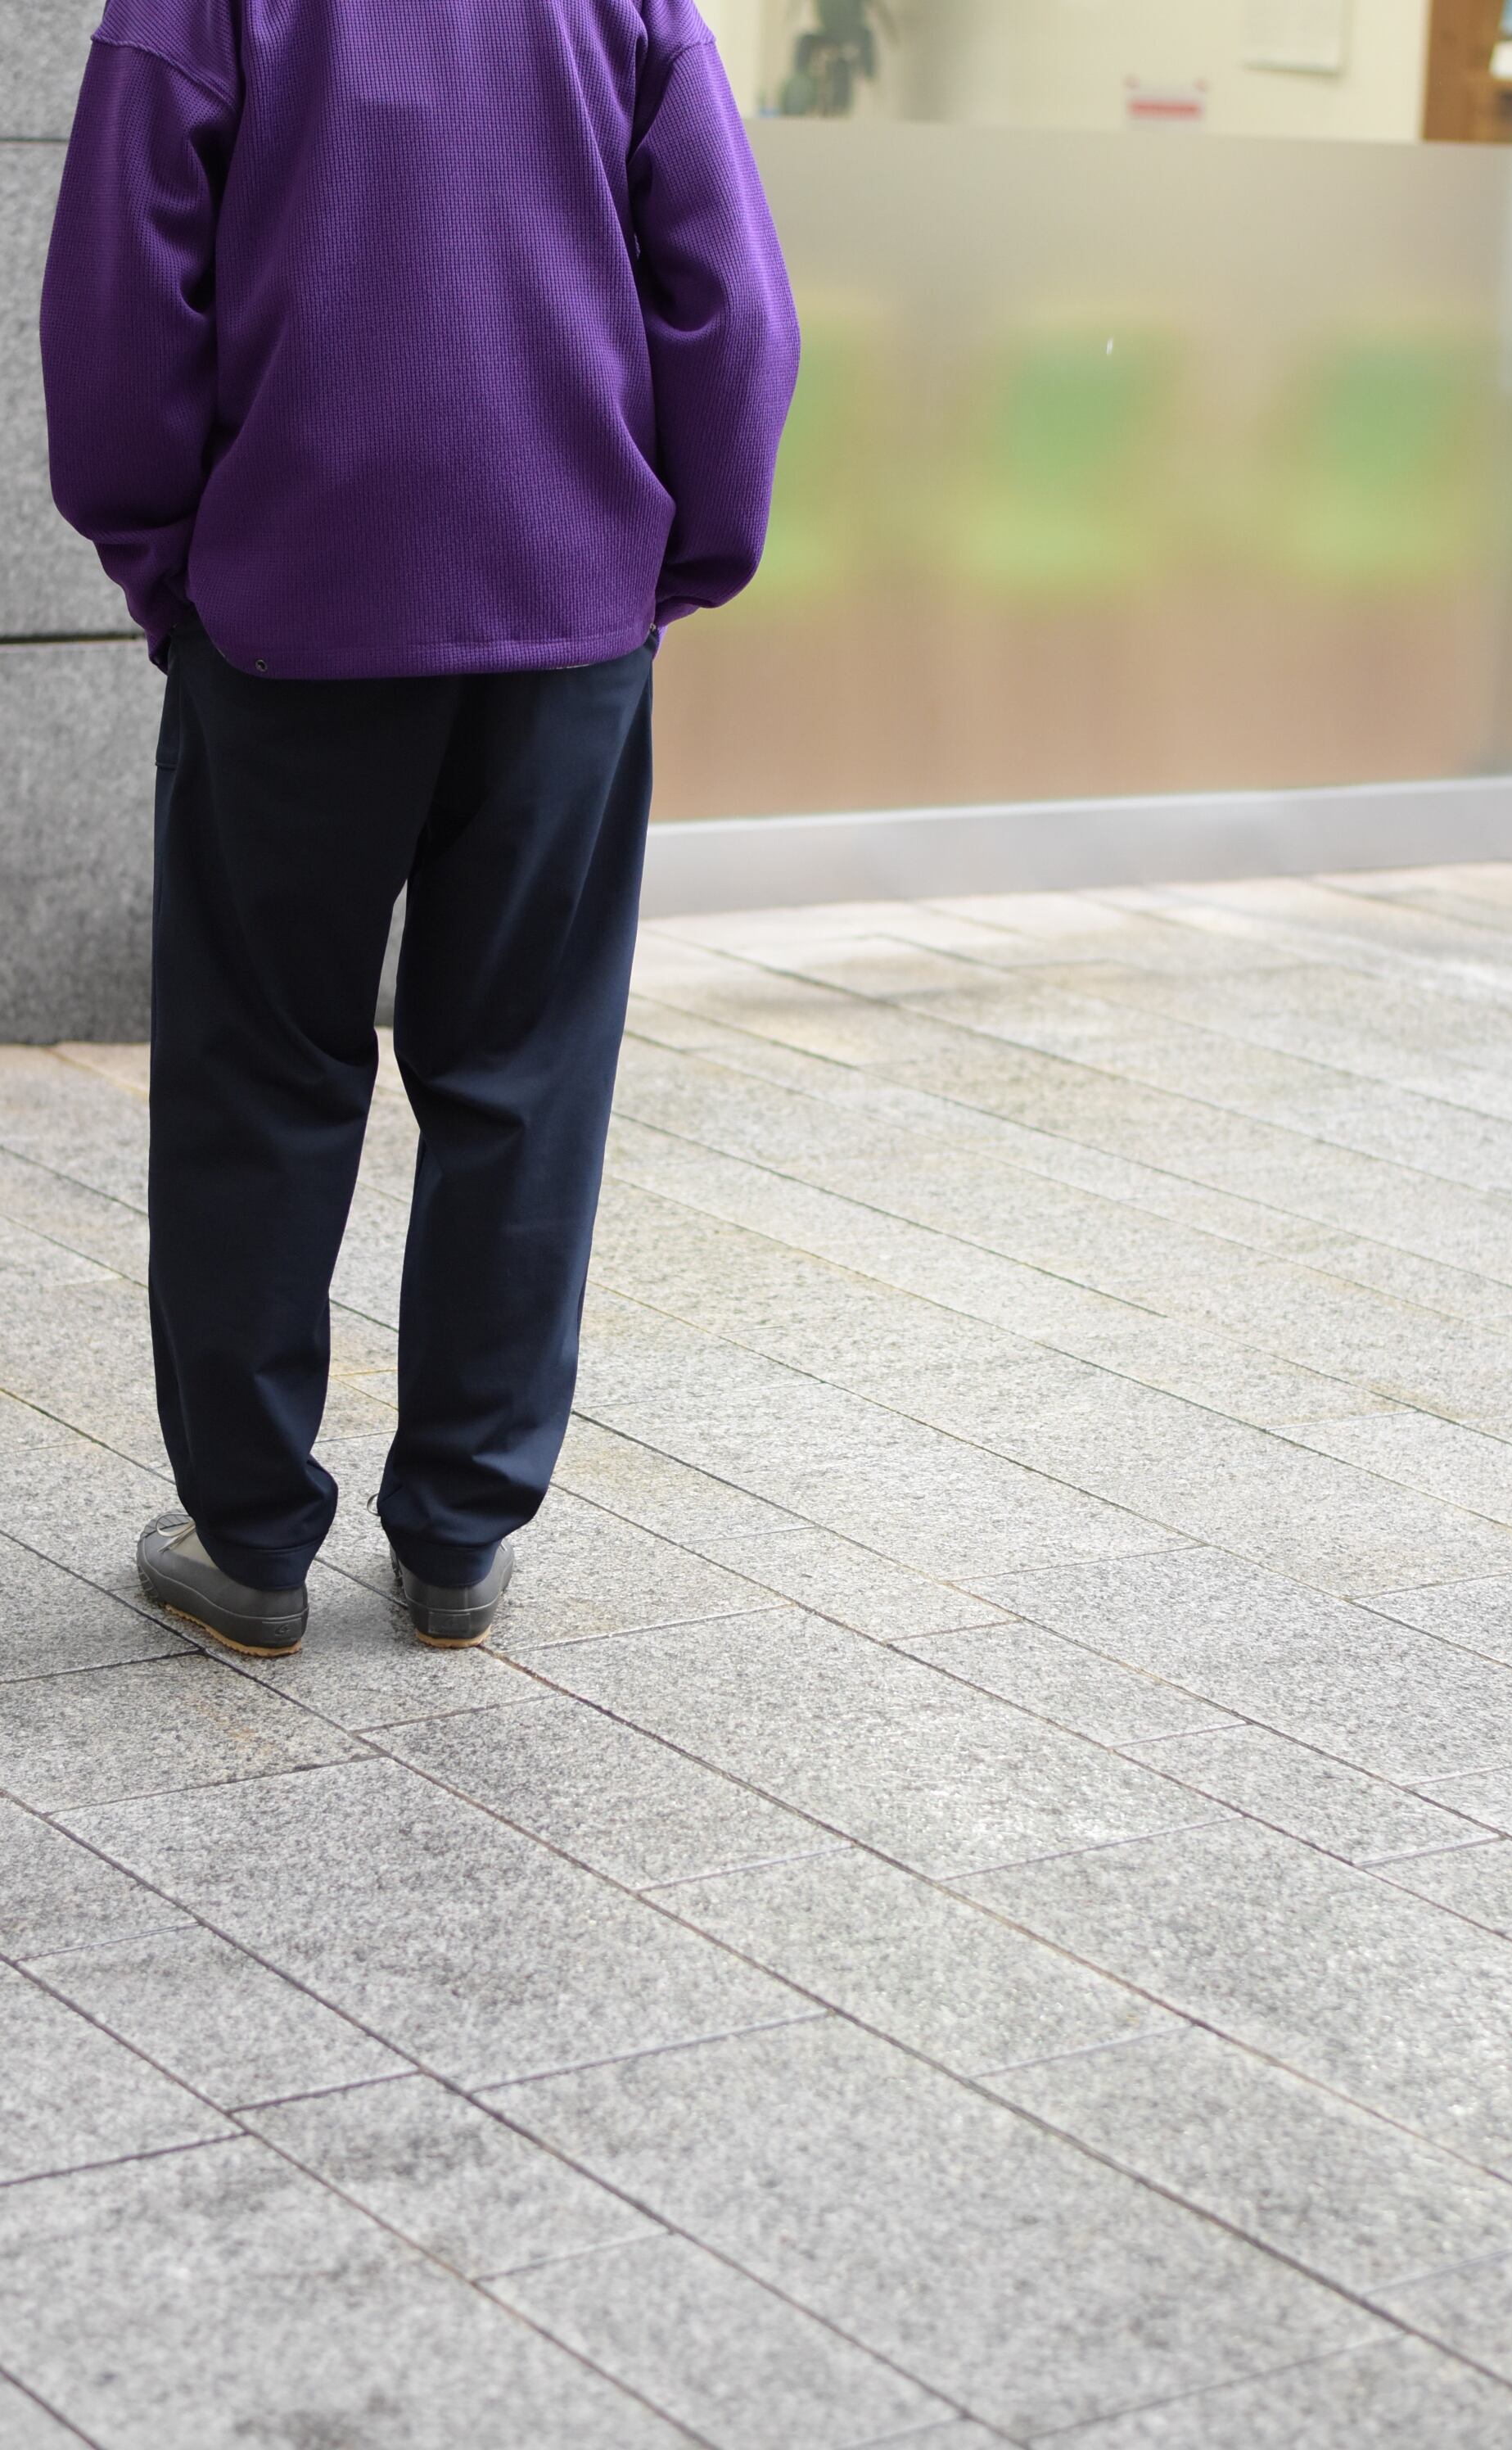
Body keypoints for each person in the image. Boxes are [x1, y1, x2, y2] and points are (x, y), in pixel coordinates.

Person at [41, 0, 798, 1658]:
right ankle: (460, 1534)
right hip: (565, 613)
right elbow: (732, 305)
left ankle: (249, 1543)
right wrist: (665, 566)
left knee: (258, 1065)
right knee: (524, 1068)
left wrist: (173, 571)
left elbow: (117, 307)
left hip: (293, 617)